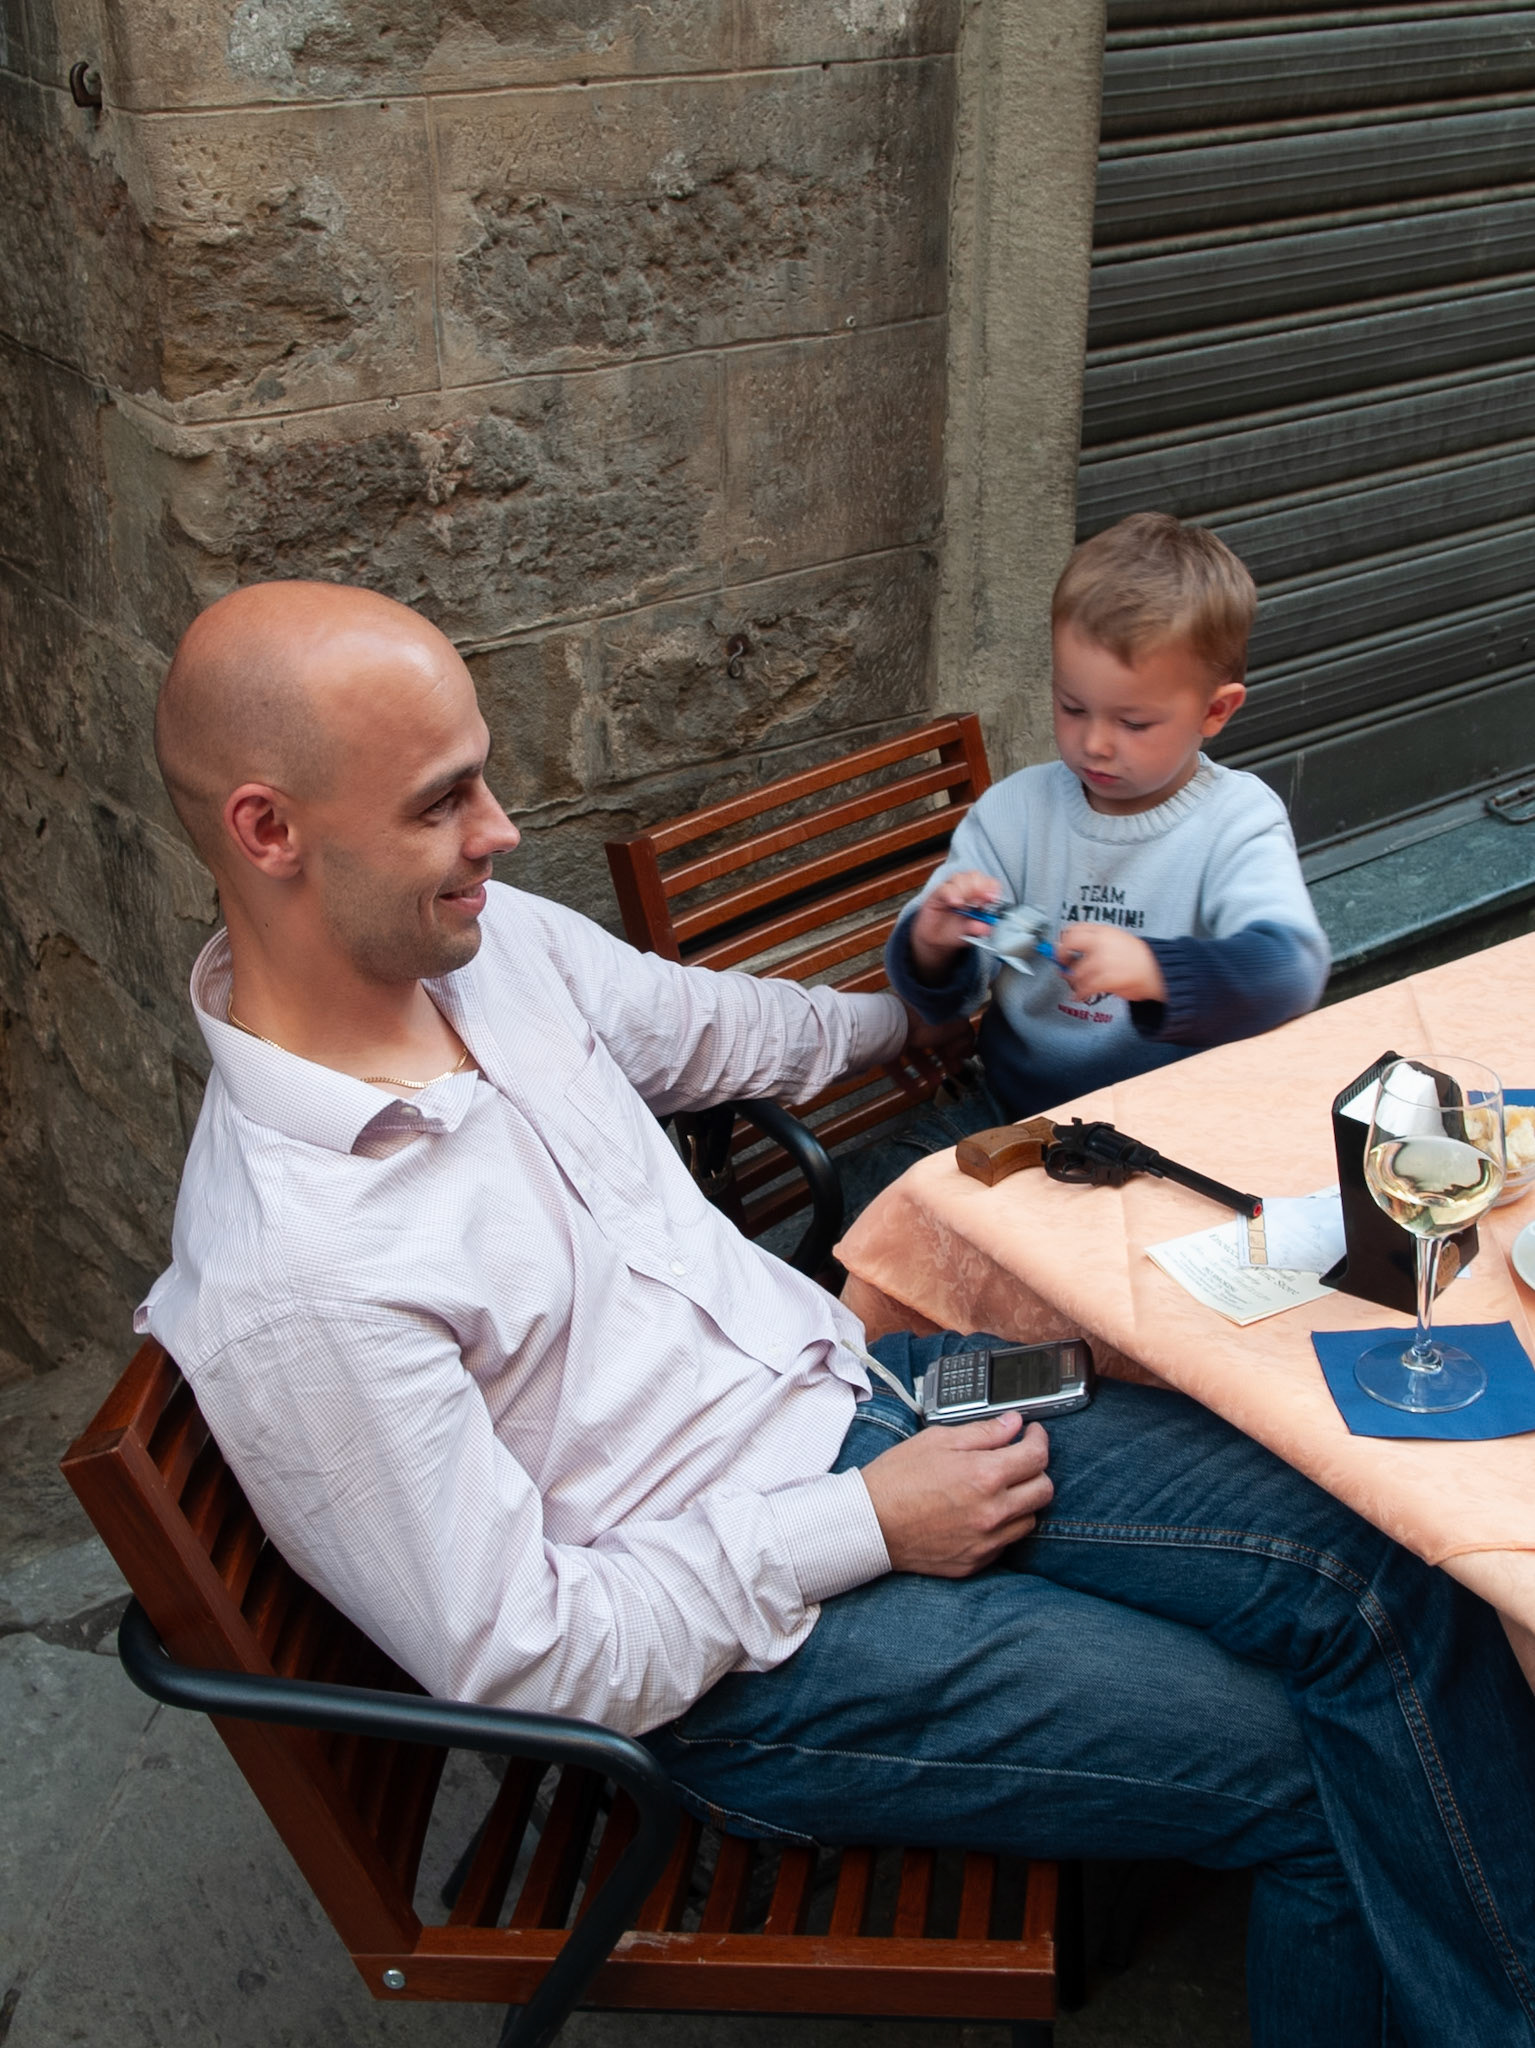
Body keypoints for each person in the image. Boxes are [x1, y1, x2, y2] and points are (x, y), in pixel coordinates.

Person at [141, 579, 1535, 2048]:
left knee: (1381, 1556)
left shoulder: (492, 955)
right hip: (748, 1659)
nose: (498, 832)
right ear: (268, 831)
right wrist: (870, 1525)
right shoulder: (291, 1277)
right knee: (1318, 1771)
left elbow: (730, 1030)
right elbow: (532, 1658)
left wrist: (940, 1005)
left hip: (870, 1397)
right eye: (444, 802)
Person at [886, 513, 1330, 1121]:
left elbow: (1292, 972)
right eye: (1072, 707)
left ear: (1215, 711)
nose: (1094, 743)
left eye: (1133, 722)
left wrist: (1156, 970)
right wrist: (934, 943)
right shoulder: (1015, 814)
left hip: (1181, 1123)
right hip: (1012, 1111)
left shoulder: (1235, 821)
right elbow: (955, 995)